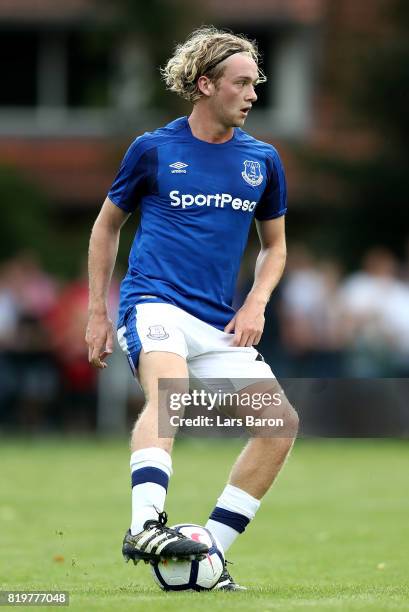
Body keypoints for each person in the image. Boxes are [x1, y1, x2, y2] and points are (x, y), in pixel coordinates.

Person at [86, 26, 298, 590]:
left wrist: (255, 303)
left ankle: (210, 556)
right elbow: (108, 226)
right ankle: (144, 526)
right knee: (170, 396)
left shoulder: (263, 160)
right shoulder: (153, 148)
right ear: (205, 84)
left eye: (257, 83)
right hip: (153, 301)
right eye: (241, 83)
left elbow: (274, 247)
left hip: (218, 320)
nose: (253, 94)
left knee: (280, 426)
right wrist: (96, 312)